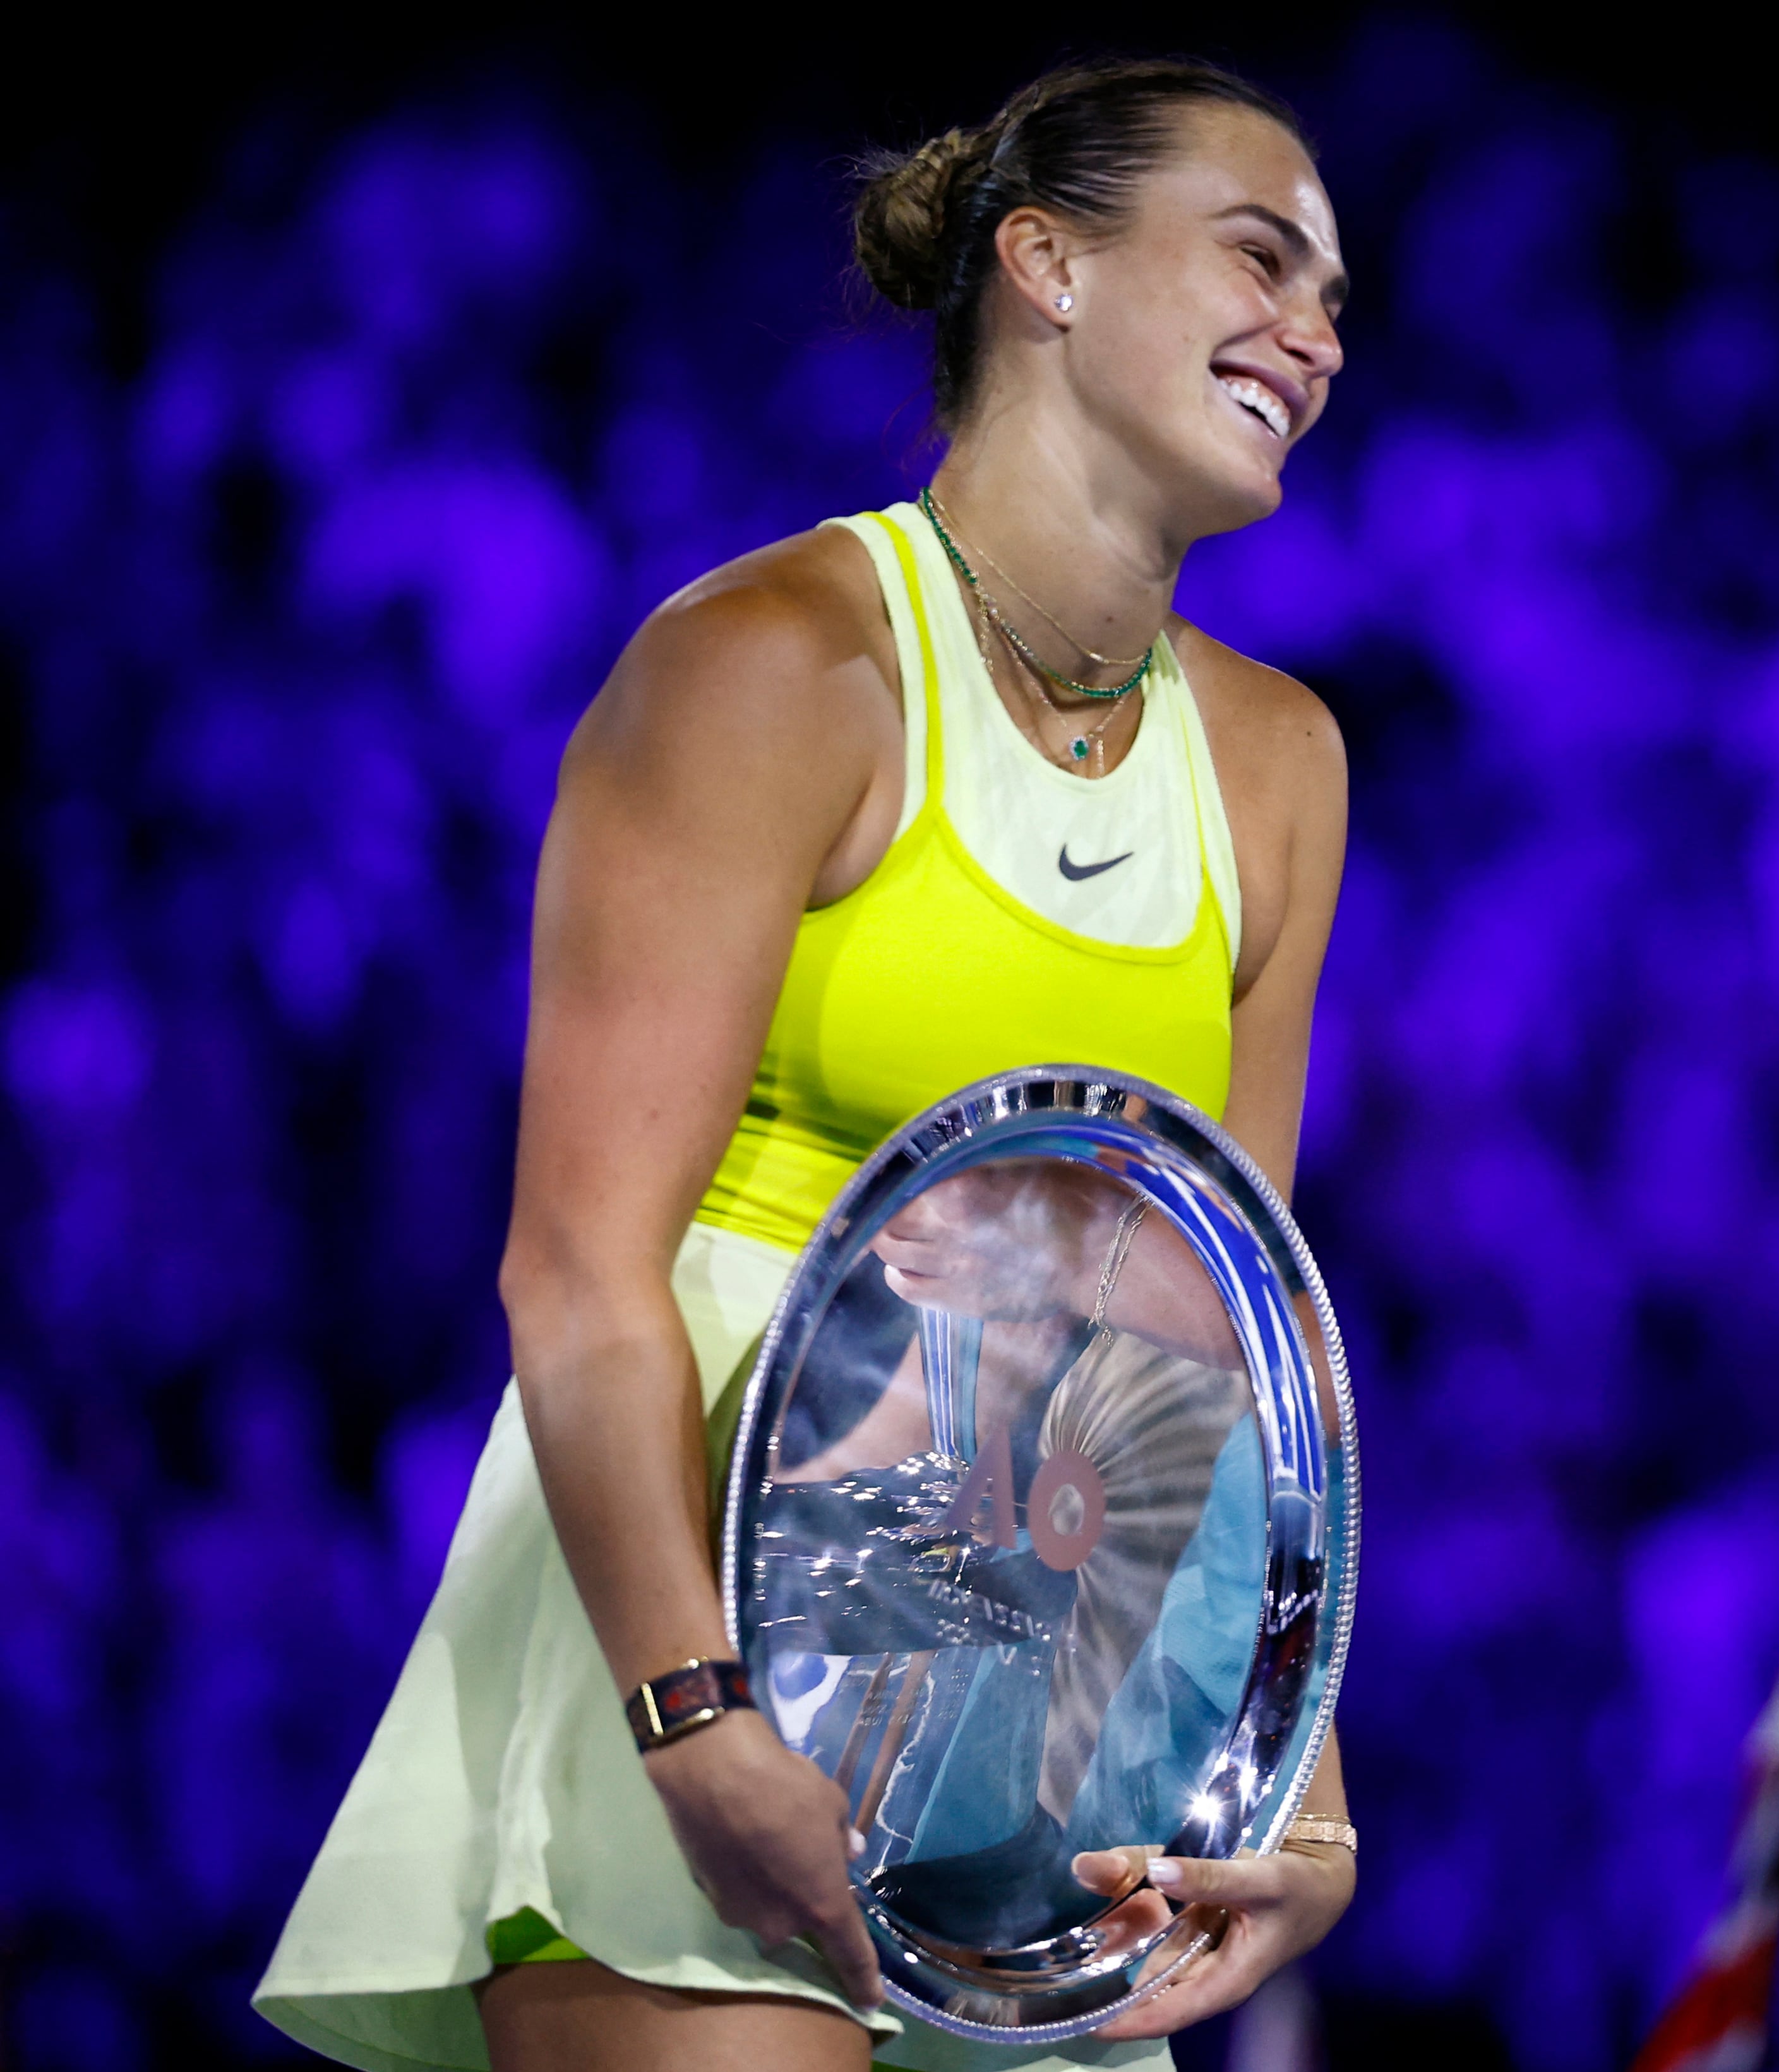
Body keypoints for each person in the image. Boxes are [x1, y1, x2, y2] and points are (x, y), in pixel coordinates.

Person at [256, 57, 1355, 2072]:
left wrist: (1290, 1778)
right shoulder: (768, 662)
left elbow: (1223, 1351)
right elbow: (577, 1267)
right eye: (1265, 259)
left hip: (1047, 1746)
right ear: (1049, 266)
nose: (1317, 334)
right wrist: (696, 1713)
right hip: (687, 1630)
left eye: (1339, 302)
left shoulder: (1282, 762)